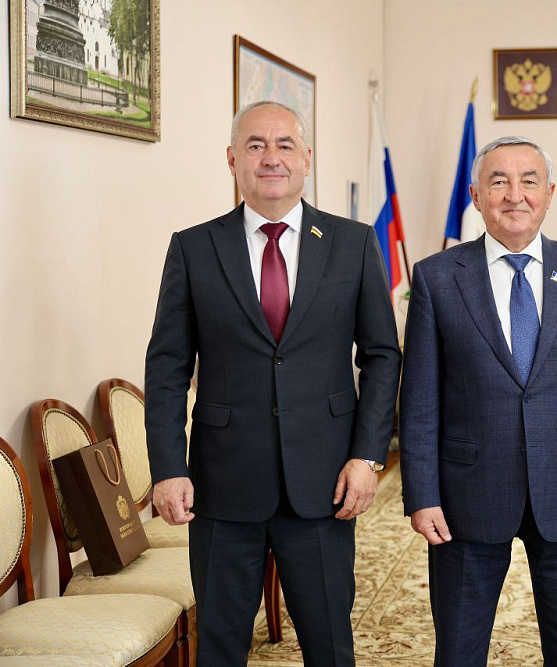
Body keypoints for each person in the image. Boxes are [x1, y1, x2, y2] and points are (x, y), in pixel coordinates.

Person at [145, 100, 402, 666]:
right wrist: (167, 468)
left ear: (306, 157)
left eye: (285, 145)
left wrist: (368, 457)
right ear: (232, 159)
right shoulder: (193, 247)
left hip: (325, 483)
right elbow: (166, 367)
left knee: (330, 645)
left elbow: (382, 356)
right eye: (255, 145)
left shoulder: (353, 243)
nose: (271, 158)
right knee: (219, 647)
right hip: (222, 484)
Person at [399, 136, 557, 666]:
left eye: (529, 181)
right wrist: (421, 494)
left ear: (549, 193)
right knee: (458, 649)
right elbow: (419, 400)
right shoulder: (437, 277)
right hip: (466, 496)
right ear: (476, 196)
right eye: (498, 181)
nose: (514, 194)